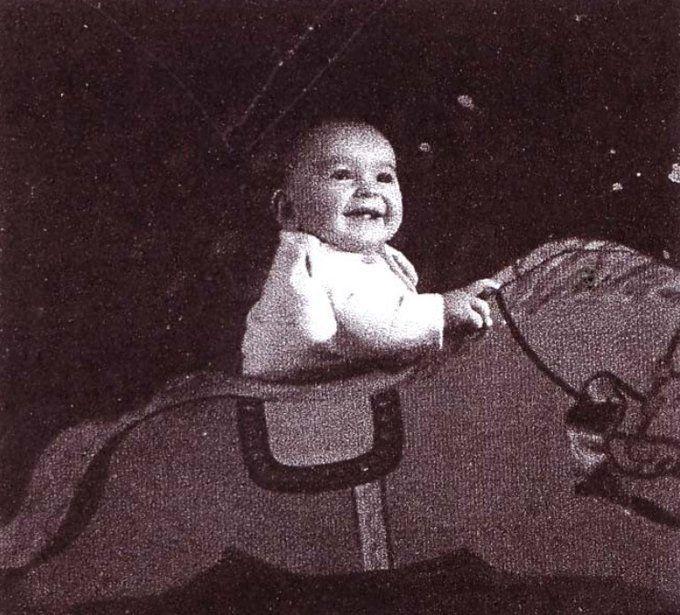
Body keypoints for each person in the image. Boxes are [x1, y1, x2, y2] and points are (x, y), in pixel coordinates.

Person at [241, 120, 498, 381]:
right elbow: (370, 327)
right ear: (288, 210)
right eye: (342, 175)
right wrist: (442, 311)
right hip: (291, 395)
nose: (368, 189)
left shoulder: (368, 256)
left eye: (384, 177)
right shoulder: (317, 260)